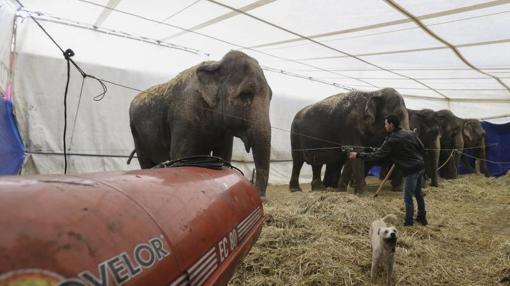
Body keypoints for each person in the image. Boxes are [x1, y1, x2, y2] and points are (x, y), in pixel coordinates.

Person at [349, 114, 428, 226]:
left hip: (410, 170)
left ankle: (409, 222)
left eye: (386, 124)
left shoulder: (392, 140)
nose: (385, 126)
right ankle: (422, 217)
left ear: (391, 124)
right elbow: (422, 148)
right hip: (420, 166)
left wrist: (357, 155)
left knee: (407, 196)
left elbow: (377, 156)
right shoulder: (410, 133)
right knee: (418, 193)